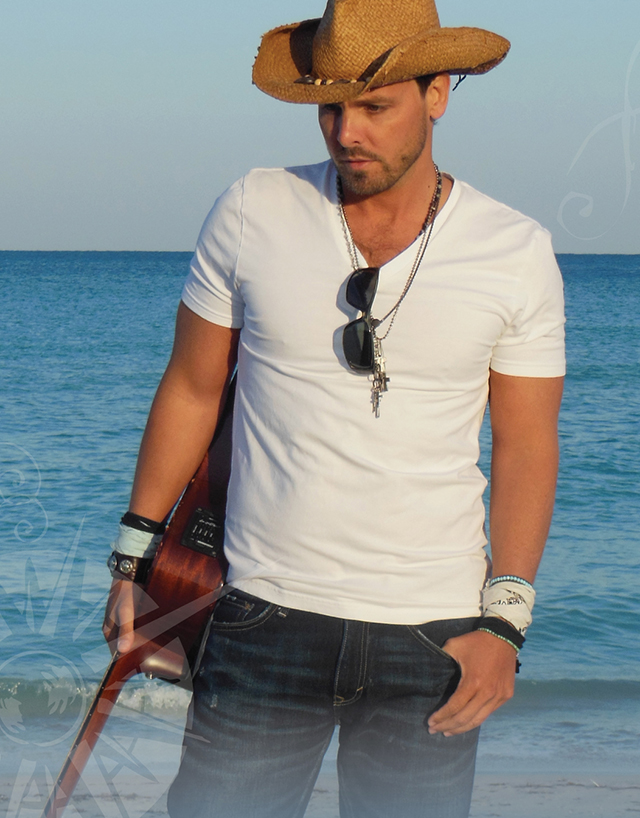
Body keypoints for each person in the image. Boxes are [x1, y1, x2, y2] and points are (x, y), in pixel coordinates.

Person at [103, 0, 565, 816]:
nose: (346, 132)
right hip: (261, 615)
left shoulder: (514, 250)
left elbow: (526, 443)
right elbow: (191, 387)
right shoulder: (254, 208)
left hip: (435, 635)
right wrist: (132, 563)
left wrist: (504, 628)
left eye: (375, 106)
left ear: (438, 95)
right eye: (330, 106)